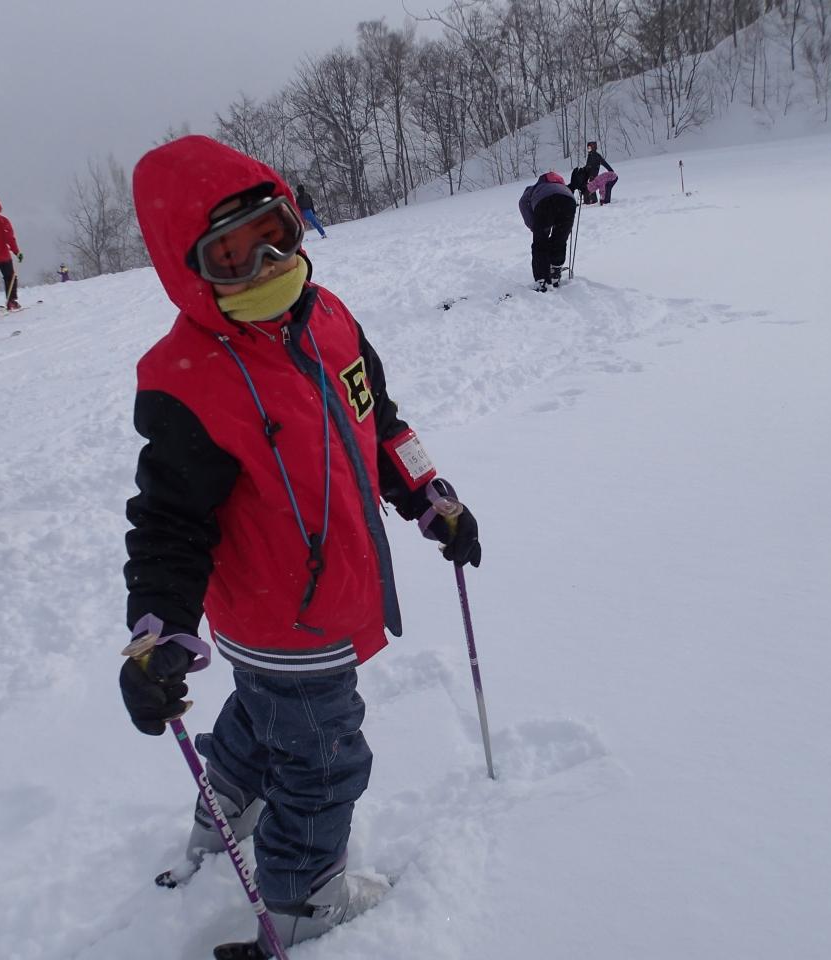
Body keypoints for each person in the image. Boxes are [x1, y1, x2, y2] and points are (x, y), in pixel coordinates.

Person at [119, 135, 482, 955]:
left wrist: (432, 497)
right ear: (189, 271)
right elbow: (170, 521)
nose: (266, 265)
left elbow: (380, 423)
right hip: (281, 616)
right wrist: (157, 628)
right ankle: (302, 900)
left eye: (275, 234)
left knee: (264, 711)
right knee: (323, 759)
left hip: (331, 593)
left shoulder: (330, 319)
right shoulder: (189, 378)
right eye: (231, 256)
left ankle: (228, 805)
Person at [519, 171, 576, 290]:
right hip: (569, 202)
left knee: (540, 243)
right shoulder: (563, 187)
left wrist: (534, 226)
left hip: (545, 203)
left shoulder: (535, 188)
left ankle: (542, 280)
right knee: (559, 240)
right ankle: (555, 272)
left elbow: (523, 202)